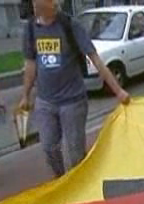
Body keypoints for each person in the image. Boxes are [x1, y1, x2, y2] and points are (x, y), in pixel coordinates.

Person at [18, 0, 130, 178]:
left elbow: (96, 60)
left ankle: (79, 184)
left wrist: (118, 91)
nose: (55, 5)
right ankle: (61, 181)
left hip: (73, 102)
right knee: (48, 147)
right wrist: (25, 95)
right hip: (45, 102)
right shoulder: (31, 30)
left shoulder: (70, 25)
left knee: (76, 152)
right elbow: (30, 64)